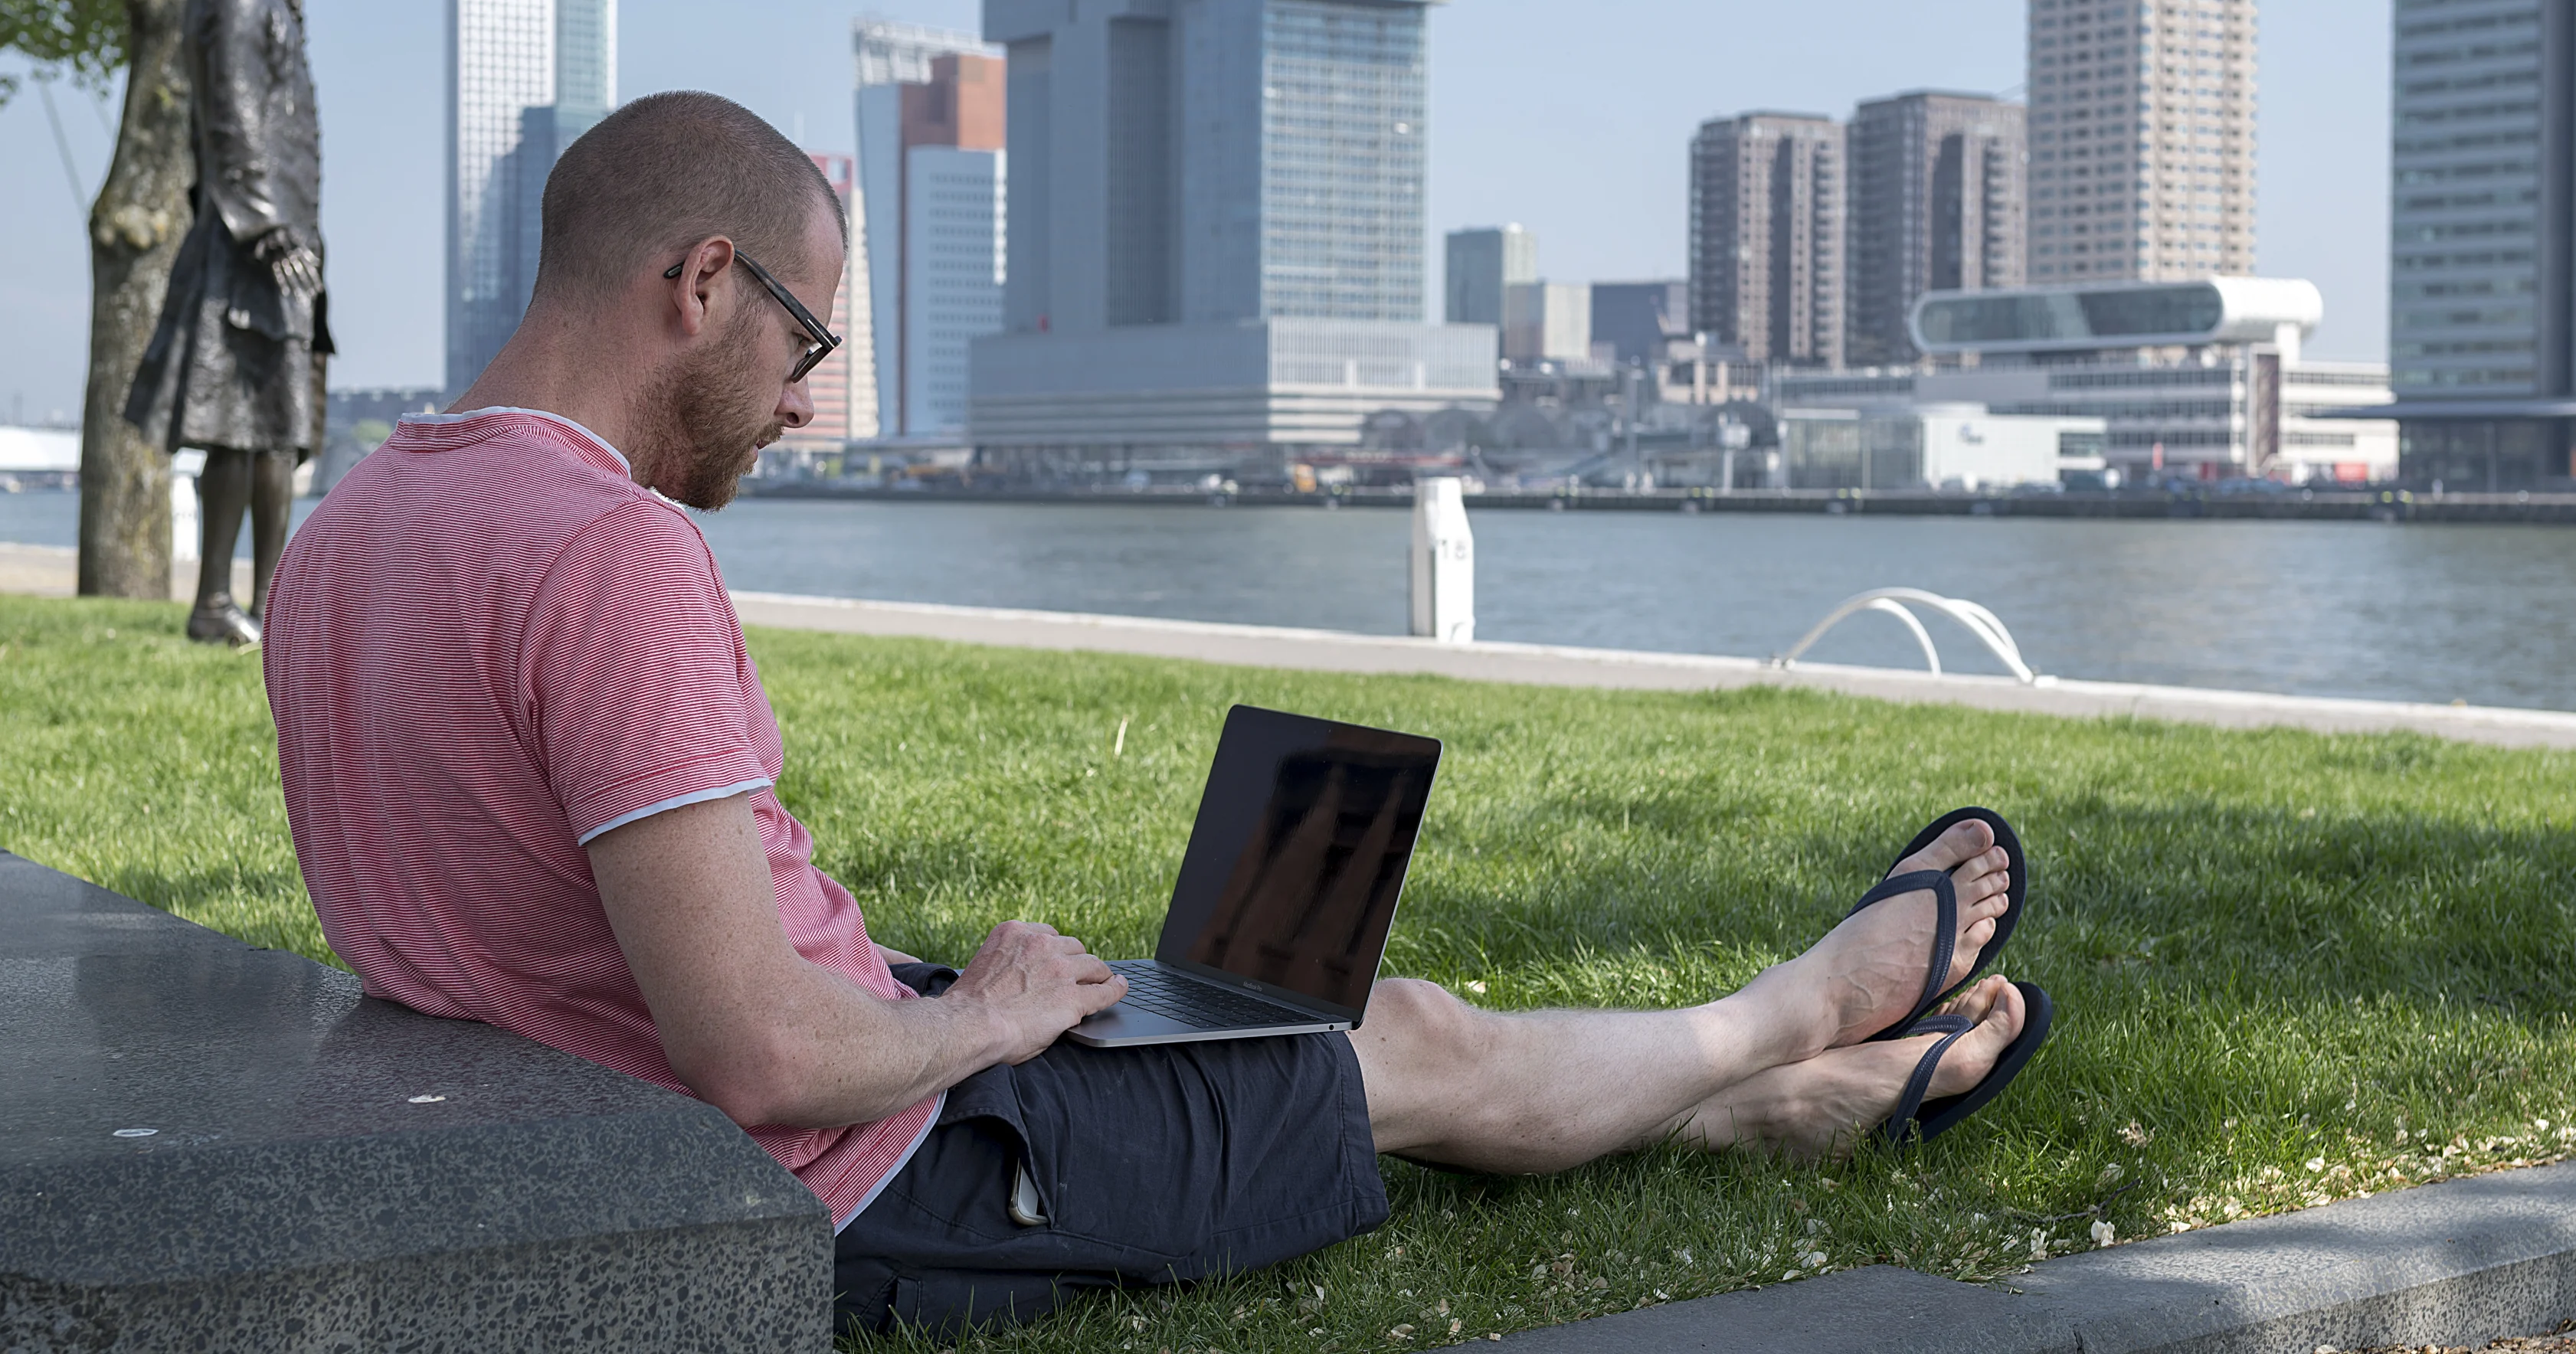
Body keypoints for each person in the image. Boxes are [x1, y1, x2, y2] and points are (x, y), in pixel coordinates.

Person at [260, 92, 2046, 1337]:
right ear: (700, 280)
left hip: (618, 1127)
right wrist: (984, 1019)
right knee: (1403, 1034)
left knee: (1282, 1006)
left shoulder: (345, 528)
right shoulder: (608, 550)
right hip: (868, 1185)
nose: (805, 406)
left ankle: (1753, 1112)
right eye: (806, 343)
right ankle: (1783, 1013)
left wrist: (950, 1003)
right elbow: (761, 1060)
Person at [126, 0, 332, 646]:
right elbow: (233, 115)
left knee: (265, 420)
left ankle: (251, 603)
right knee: (255, 420)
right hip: (259, 233)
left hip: (265, 227)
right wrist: (268, 225)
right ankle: (229, 603)